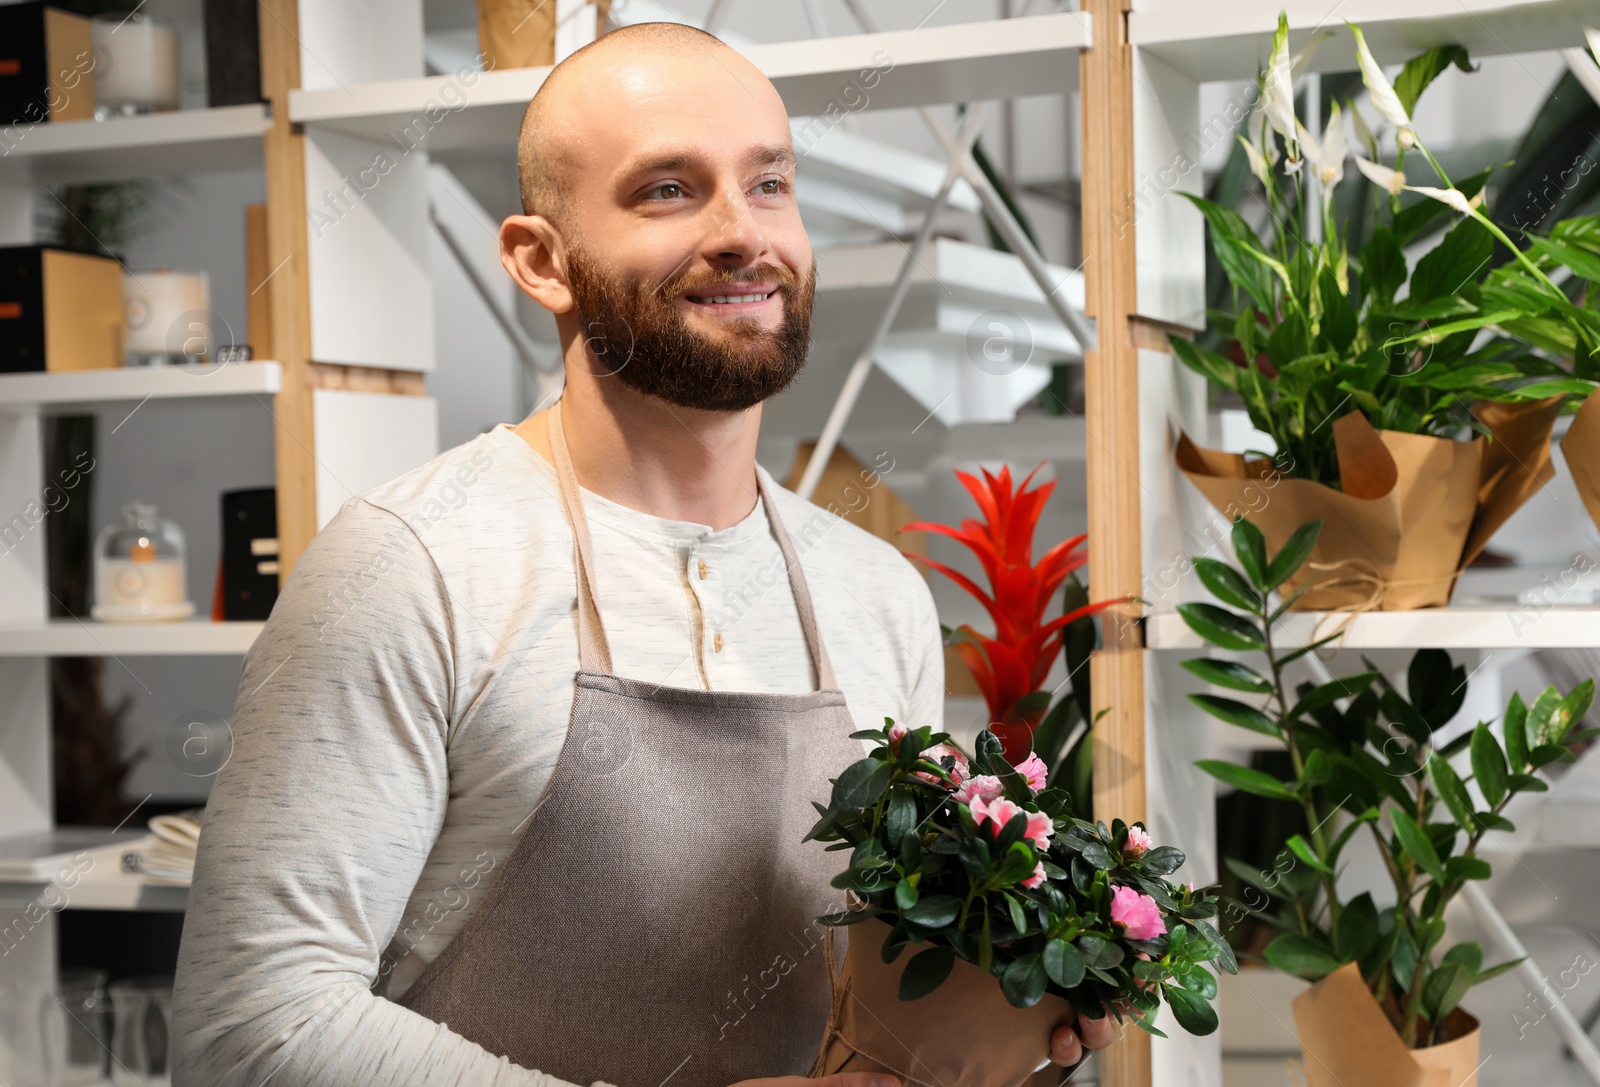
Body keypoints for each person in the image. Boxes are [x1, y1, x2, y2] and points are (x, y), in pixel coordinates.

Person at [171, 20, 1116, 1087]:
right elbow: (251, 1028)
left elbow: (860, 997)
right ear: (541, 261)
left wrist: (999, 1004)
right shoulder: (412, 567)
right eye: (667, 190)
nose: (741, 234)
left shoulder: (875, 594)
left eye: (768, 184)